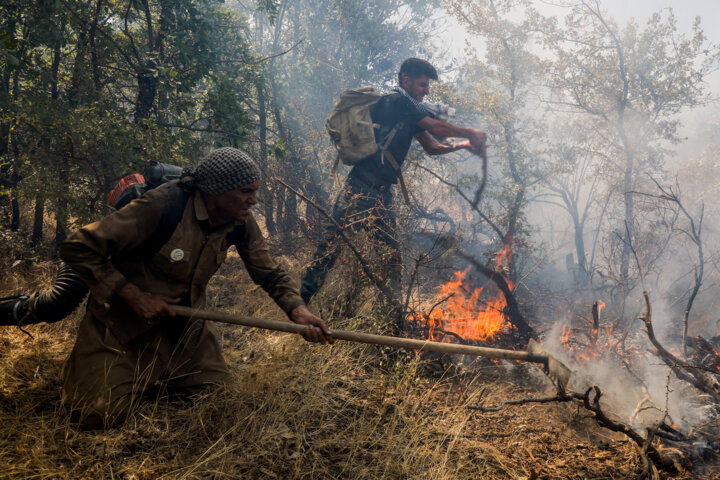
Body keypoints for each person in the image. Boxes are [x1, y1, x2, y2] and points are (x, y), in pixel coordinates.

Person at [59, 147, 333, 428]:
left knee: (218, 399)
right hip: (123, 327)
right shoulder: (161, 206)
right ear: (215, 191)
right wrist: (136, 296)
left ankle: (154, 376)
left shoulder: (240, 220)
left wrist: (299, 312)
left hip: (186, 330)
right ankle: (94, 367)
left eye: (255, 192)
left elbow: (270, 274)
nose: (253, 200)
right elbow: (77, 247)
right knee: (96, 416)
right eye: (245, 192)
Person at [300, 58, 487, 305]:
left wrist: (463, 145)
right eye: (423, 84)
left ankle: (392, 313)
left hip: (382, 194)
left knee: (390, 256)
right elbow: (435, 127)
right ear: (406, 81)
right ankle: (302, 300)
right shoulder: (397, 102)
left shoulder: (410, 113)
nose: (427, 91)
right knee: (333, 244)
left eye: (428, 85)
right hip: (360, 187)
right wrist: (470, 133)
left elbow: (431, 146)